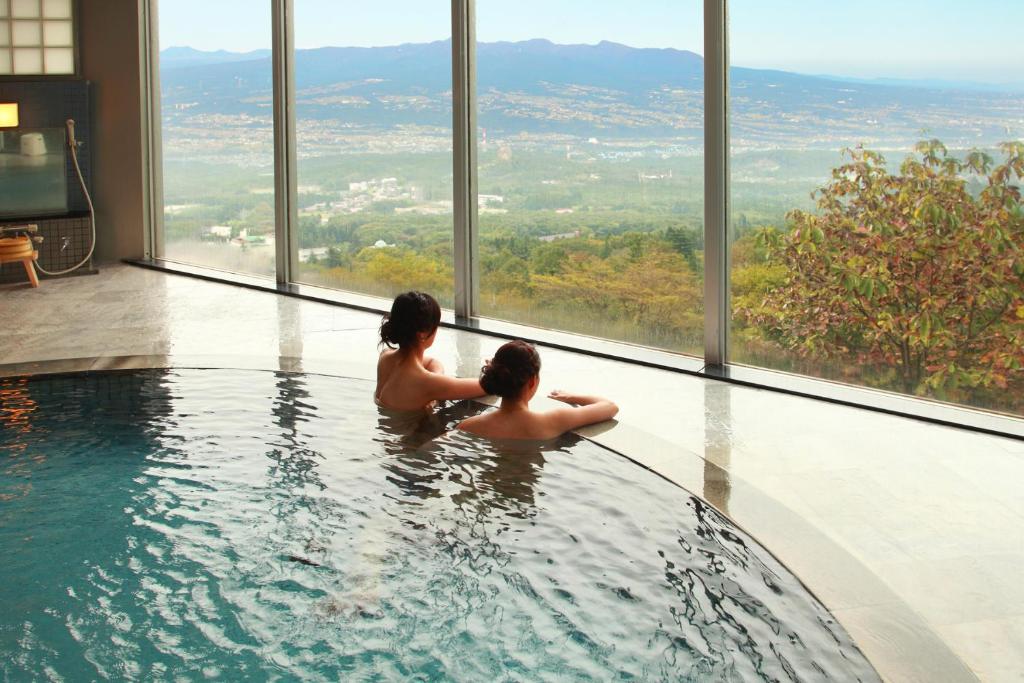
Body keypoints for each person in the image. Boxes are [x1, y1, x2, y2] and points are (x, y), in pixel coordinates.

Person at [457, 340, 618, 440]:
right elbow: (610, 406)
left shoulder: (469, 426)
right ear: (533, 381)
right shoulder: (554, 421)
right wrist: (571, 397)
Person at [375, 291, 485, 411]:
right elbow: (486, 386)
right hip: (411, 428)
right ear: (422, 334)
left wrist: (436, 377)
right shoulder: (426, 382)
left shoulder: (385, 357)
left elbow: (433, 362)